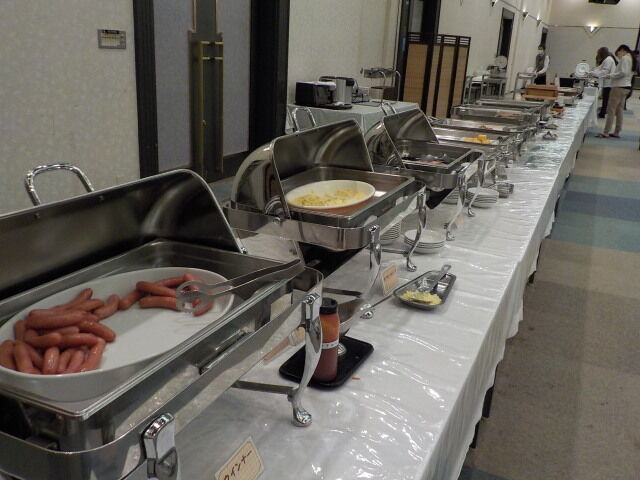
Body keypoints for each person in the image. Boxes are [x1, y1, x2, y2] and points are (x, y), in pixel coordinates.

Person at [597, 44, 635, 138]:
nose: (618, 56)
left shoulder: (625, 58)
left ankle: (606, 132)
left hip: (619, 87)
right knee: (619, 110)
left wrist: (610, 76)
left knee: (611, 109)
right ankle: (617, 131)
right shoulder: (631, 58)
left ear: (622, 50)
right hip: (626, 87)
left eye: (618, 53)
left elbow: (623, 73)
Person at [589, 47, 617, 118]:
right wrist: (592, 71)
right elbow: (600, 68)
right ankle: (603, 112)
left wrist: (592, 73)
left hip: (609, 83)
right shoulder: (607, 59)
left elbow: (604, 72)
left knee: (606, 99)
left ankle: (602, 113)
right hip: (608, 82)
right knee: (605, 99)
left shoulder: (608, 60)